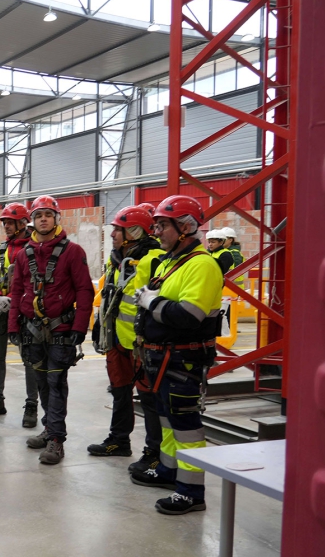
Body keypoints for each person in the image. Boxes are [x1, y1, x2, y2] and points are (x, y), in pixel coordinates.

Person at [130, 195, 221, 516]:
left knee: (186, 426)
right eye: (155, 225)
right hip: (164, 359)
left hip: (184, 361)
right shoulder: (171, 262)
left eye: (162, 225)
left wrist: (152, 303)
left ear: (186, 227)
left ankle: (192, 492)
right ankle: (170, 471)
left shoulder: (202, 265)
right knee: (169, 423)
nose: (157, 232)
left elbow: (189, 316)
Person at [8, 195, 93, 465]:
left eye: (47, 214)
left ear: (56, 218)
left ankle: (57, 439)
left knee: (56, 383)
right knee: (42, 381)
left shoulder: (73, 252)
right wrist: (13, 325)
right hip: (32, 330)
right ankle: (49, 428)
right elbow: (17, 290)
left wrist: (80, 327)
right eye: (38, 215)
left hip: (61, 329)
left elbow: (84, 290)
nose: (43, 219)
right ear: (32, 222)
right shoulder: (24, 254)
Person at [87, 206, 163, 466]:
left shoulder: (155, 258)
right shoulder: (115, 258)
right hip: (116, 338)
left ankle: (154, 453)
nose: (113, 234)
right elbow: (110, 294)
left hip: (142, 342)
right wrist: (100, 325)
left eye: (118, 229)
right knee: (120, 393)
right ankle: (119, 440)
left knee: (149, 398)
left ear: (135, 231)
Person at [0, 203, 37, 423]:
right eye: (5, 223)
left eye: (10, 223)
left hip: (24, 313)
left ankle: (32, 405)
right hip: (0, 310)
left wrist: (19, 301)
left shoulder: (34, 249)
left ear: (23, 223)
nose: (7, 227)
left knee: (29, 360)